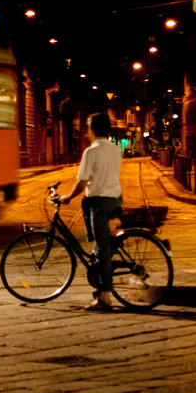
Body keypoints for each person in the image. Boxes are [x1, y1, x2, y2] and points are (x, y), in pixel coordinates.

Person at [60, 113, 123, 311]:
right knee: (99, 240)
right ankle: (100, 249)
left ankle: (105, 298)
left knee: (103, 251)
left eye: (88, 128)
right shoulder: (115, 149)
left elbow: (83, 181)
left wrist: (68, 197)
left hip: (101, 203)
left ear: (91, 129)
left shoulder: (91, 151)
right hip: (115, 199)